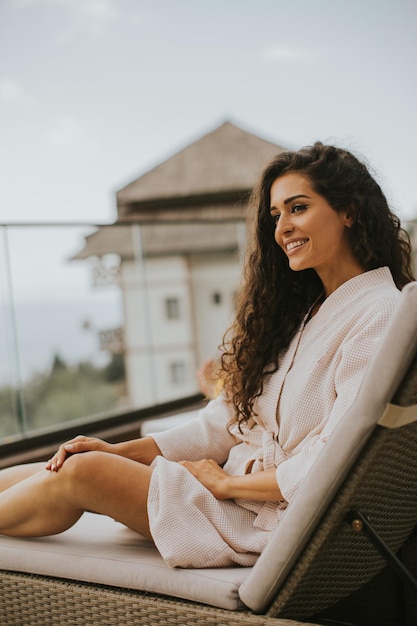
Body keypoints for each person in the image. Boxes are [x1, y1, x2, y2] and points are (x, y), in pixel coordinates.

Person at [0, 142, 414, 568]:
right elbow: (222, 424)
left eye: (298, 208)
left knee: (83, 474)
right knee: (89, 461)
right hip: (237, 497)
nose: (282, 228)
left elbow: (336, 459)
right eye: (276, 215)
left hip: (274, 518)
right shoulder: (308, 312)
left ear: (349, 211)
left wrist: (226, 485)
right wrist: (118, 450)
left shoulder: (380, 312)